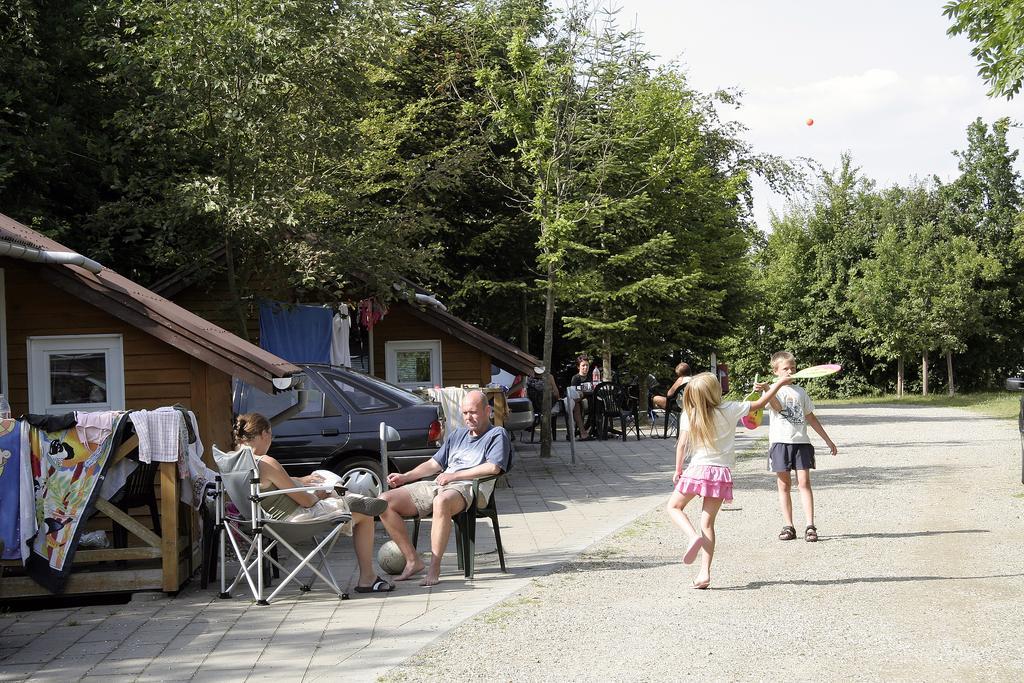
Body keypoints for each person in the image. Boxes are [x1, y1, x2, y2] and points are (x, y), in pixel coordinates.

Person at [232, 413, 395, 593]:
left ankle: (348, 498)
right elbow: (307, 502)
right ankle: (368, 578)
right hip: (292, 521)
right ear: (264, 434)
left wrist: (301, 480)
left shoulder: (233, 460)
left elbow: (267, 484)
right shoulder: (266, 462)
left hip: (256, 521)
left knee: (327, 487)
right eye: (271, 435)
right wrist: (319, 495)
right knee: (363, 514)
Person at [666, 372, 791, 589]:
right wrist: (779, 382)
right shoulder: (730, 409)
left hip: (697, 470)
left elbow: (682, 445)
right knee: (708, 523)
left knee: (674, 507)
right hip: (720, 474)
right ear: (716, 391)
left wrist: (678, 469)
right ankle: (704, 573)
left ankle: (691, 536)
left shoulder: (689, 413)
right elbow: (761, 402)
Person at [378, 390, 511, 586]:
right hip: (443, 483)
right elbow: (434, 464)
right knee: (383, 501)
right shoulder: (457, 434)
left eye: (473, 412)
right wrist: (405, 477)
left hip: (471, 488)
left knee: (441, 501)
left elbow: (493, 467)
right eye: (465, 413)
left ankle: (434, 567)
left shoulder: (497, 434)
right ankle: (413, 561)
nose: (468, 417)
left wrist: (455, 475)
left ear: (487, 410)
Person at [755, 351, 838, 543]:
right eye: (785, 368)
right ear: (776, 371)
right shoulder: (772, 391)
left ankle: (810, 525)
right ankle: (789, 525)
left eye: (792, 367)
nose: (790, 371)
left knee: (804, 483)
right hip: (780, 443)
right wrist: (769, 388)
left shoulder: (801, 392)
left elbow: (810, 417)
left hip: (801, 443)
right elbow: (776, 406)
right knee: (784, 486)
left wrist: (827, 440)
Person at [568, 357, 594, 440]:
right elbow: (574, 394)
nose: (585, 367)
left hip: (591, 400)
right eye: (583, 365)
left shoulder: (592, 377)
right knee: (577, 404)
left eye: (587, 365)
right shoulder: (575, 378)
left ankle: (594, 430)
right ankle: (582, 431)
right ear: (578, 367)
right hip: (579, 401)